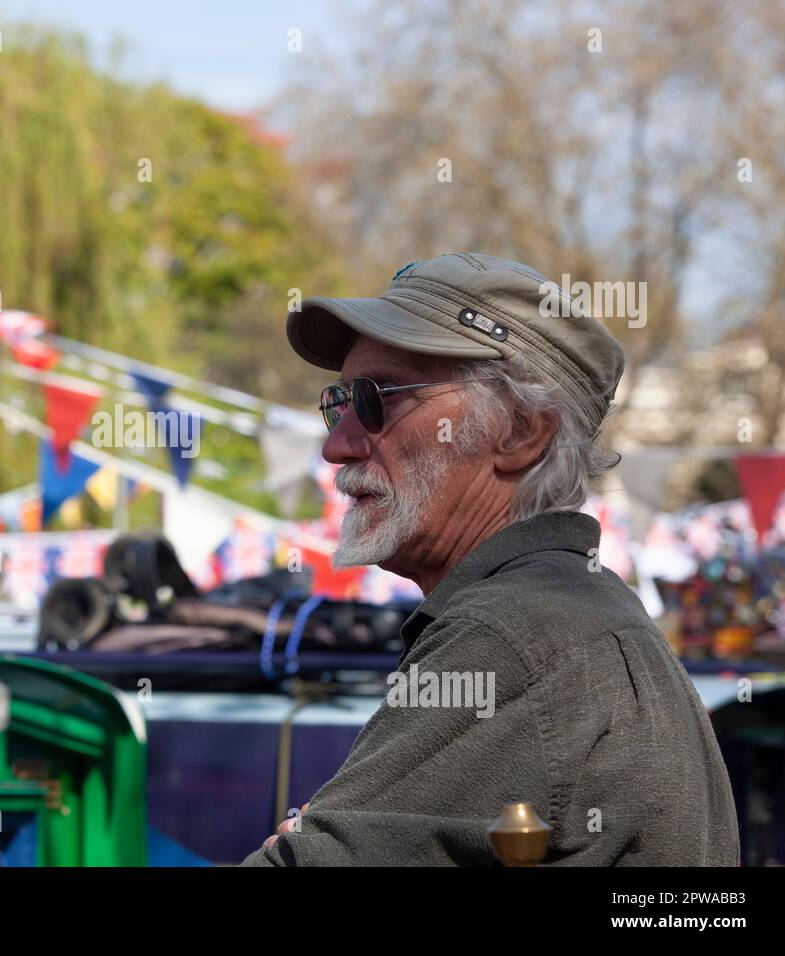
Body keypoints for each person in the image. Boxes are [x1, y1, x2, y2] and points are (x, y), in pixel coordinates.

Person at [242, 253, 739, 866]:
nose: (336, 445)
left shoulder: (510, 634)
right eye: (337, 402)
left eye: (374, 399)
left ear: (520, 433)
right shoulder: (573, 614)